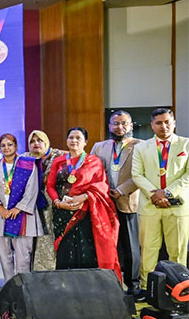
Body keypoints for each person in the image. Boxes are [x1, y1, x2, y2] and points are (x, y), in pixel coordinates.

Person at [46, 127, 121, 279]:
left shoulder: (94, 161)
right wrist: (58, 202)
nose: (74, 141)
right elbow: (50, 185)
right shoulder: (58, 161)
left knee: (85, 249)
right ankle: (65, 284)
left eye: (78, 138)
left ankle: (87, 284)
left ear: (85, 142)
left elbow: (102, 186)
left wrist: (85, 196)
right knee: (64, 249)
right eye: (71, 137)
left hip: (84, 212)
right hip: (61, 214)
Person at [132, 108, 189, 291]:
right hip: (150, 206)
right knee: (148, 250)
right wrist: (155, 195)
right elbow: (137, 175)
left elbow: (187, 175)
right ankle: (146, 289)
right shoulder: (141, 147)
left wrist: (167, 193)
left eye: (167, 122)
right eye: (158, 123)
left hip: (178, 206)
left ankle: (179, 290)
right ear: (152, 125)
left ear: (174, 123)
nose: (163, 126)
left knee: (177, 252)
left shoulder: (186, 144)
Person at [91, 111, 143, 296]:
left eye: (124, 123)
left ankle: (133, 285)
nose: (119, 127)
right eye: (115, 123)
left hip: (127, 201)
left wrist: (121, 190)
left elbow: (142, 174)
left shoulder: (141, 146)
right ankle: (109, 283)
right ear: (109, 126)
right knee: (106, 245)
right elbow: (90, 170)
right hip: (103, 203)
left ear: (131, 126)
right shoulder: (99, 147)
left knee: (130, 246)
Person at [0, 134, 43, 281]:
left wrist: (18, 208)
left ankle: (23, 287)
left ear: (16, 146)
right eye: (3, 145)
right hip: (1, 216)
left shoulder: (28, 164)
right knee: (5, 257)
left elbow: (32, 190)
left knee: (23, 257)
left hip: (23, 216)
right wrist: (0, 208)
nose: (6, 148)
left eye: (10, 144)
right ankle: (9, 287)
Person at [25, 130, 66, 272]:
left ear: (46, 142)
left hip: (50, 202)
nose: (36, 143)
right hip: (30, 202)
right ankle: (31, 270)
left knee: (48, 234)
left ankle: (47, 269)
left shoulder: (58, 156)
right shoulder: (25, 158)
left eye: (39, 140)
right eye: (32, 141)